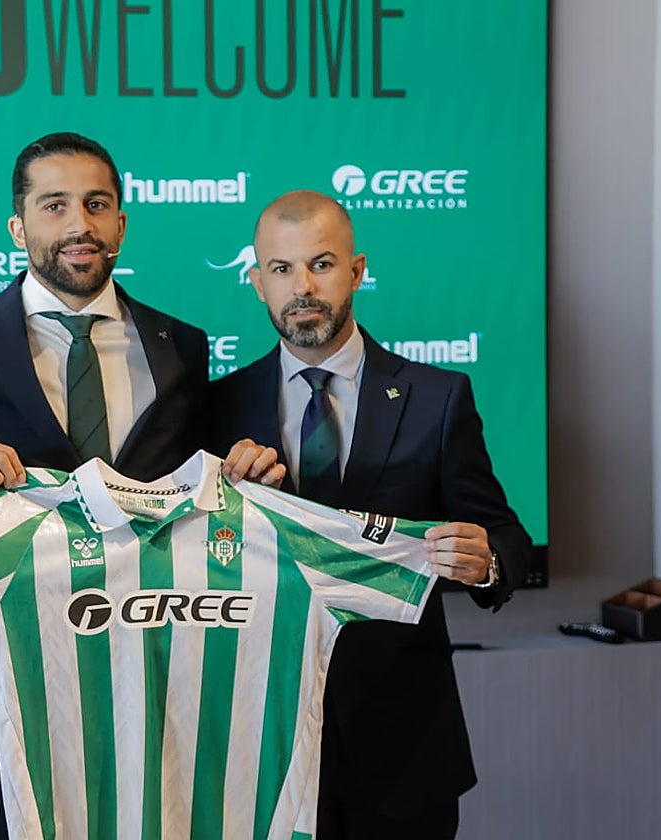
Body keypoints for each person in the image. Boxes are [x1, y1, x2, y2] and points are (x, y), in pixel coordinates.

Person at [0, 131, 279, 837]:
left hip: (164, 683)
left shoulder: (180, 346)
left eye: (97, 205)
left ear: (121, 223)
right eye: (55, 204)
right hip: (20, 689)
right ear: (18, 226)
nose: (79, 225)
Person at [208, 189, 533, 839]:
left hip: (403, 756)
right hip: (255, 754)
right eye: (281, 269)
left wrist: (489, 560)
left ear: (357, 270)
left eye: (321, 264)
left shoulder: (438, 398)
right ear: (256, 283)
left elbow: (506, 536)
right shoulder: (215, 410)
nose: (302, 286)